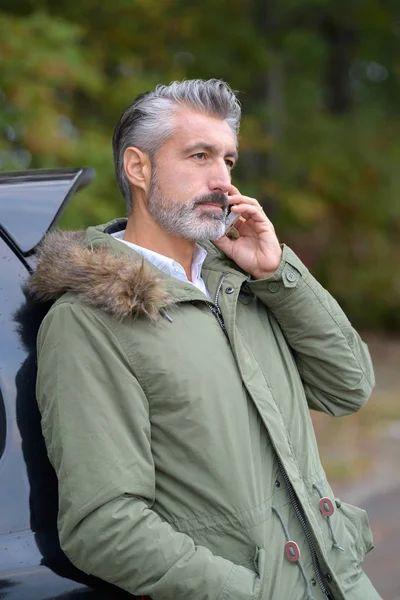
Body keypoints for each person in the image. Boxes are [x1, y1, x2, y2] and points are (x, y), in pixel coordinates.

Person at [31, 79, 382, 600]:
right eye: (199, 156)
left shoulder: (247, 281)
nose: (222, 181)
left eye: (229, 160)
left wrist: (277, 273)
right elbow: (104, 524)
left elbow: (349, 386)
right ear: (139, 168)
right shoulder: (89, 318)